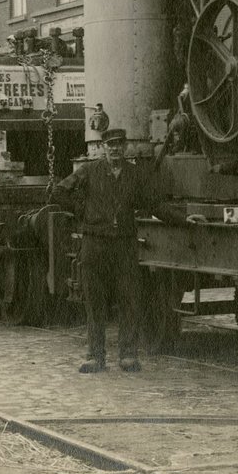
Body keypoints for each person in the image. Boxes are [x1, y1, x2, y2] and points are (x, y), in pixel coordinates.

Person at [43, 127, 199, 373]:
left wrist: (184, 219)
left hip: (124, 245)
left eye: (119, 144)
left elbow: (155, 205)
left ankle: (128, 355)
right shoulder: (89, 171)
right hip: (94, 244)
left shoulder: (135, 174)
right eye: (110, 145)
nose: (114, 149)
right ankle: (95, 356)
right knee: (95, 303)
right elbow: (58, 191)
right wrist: (82, 212)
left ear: (125, 147)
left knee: (129, 300)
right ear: (104, 147)